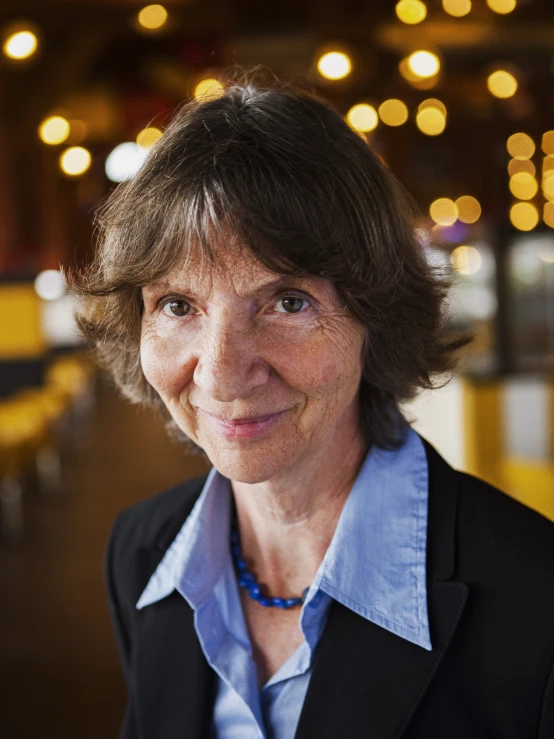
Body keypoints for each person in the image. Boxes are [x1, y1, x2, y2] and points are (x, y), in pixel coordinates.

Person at [73, 74, 554, 738]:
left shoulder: (537, 599)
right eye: (178, 305)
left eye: (287, 302)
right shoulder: (140, 551)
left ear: (375, 318)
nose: (221, 371)